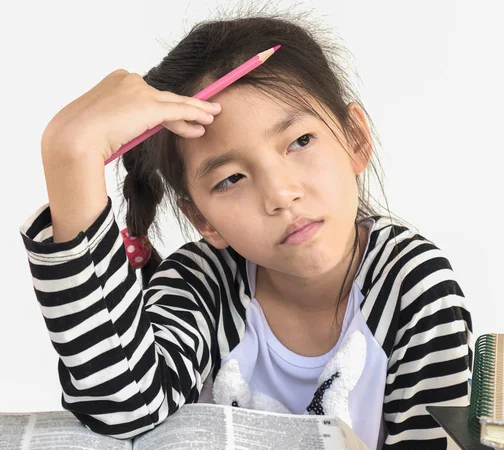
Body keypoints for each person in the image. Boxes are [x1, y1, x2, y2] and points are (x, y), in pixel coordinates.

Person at [20, 9, 473, 450]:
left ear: (354, 139)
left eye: (300, 141)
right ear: (203, 220)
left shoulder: (414, 286)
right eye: (230, 179)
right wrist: (70, 154)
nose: (279, 194)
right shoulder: (200, 283)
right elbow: (123, 406)